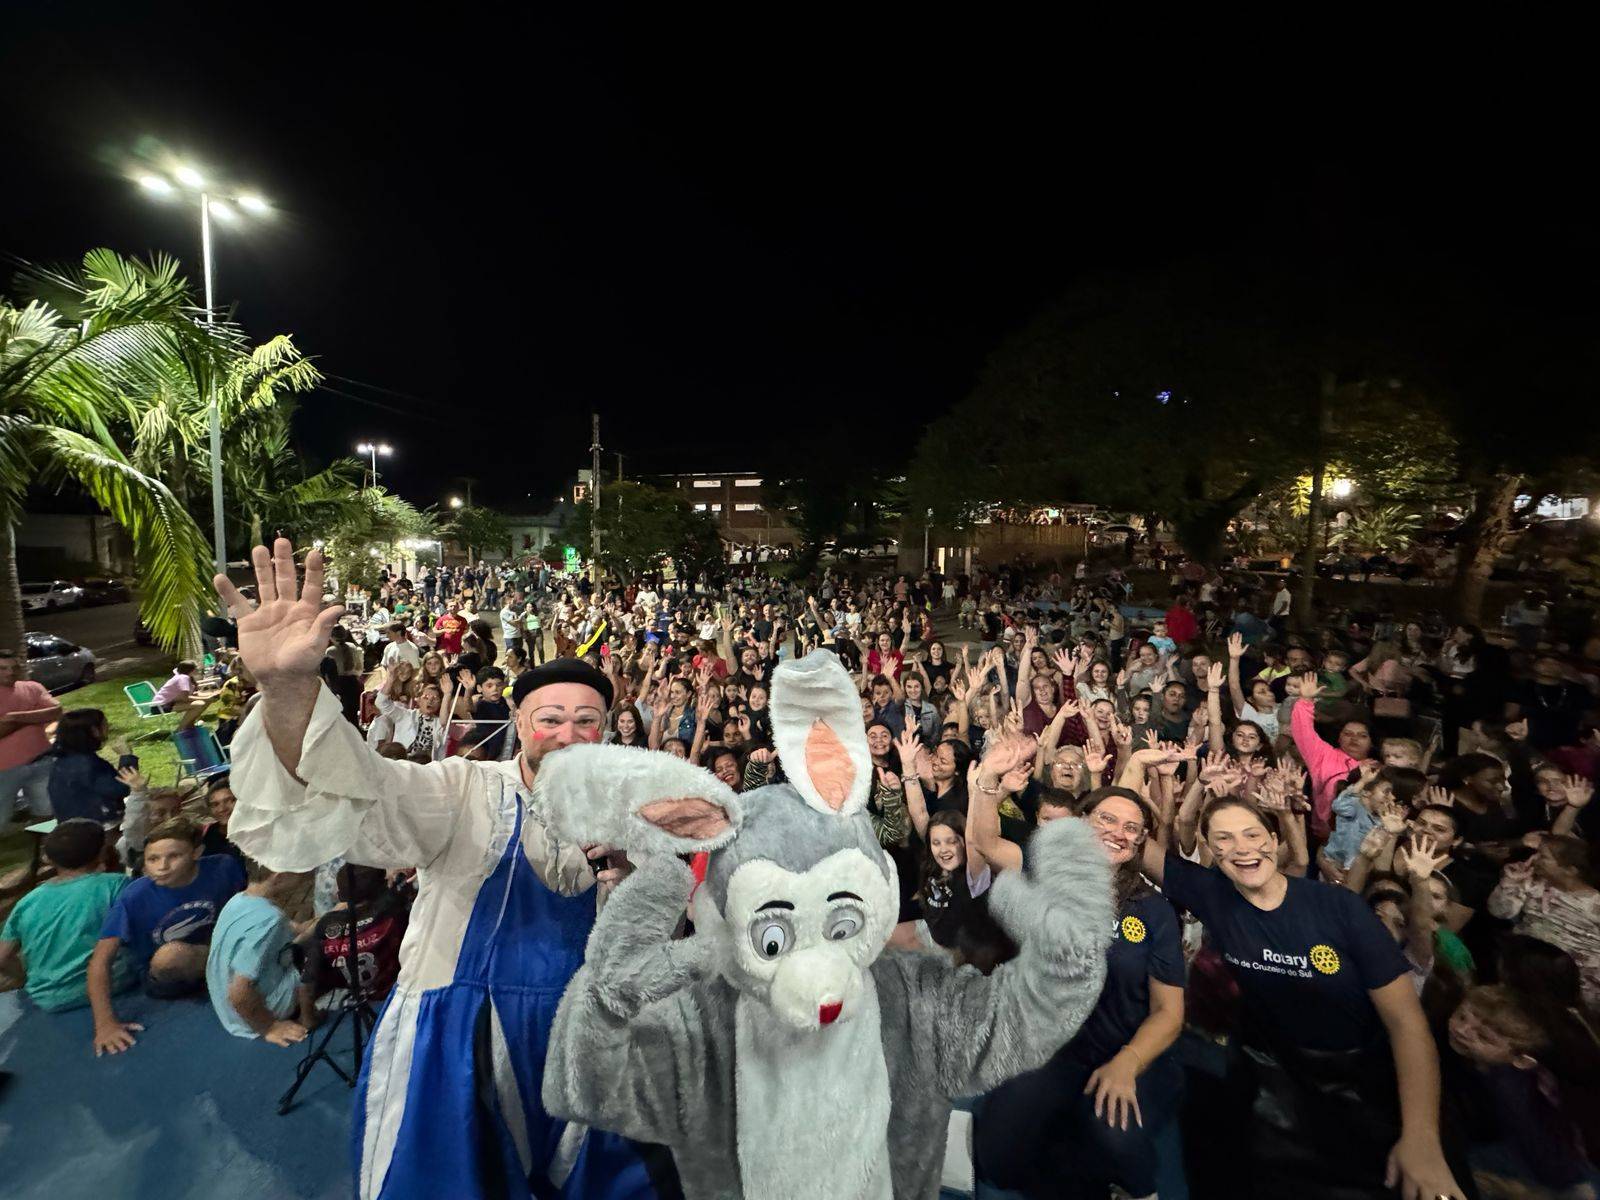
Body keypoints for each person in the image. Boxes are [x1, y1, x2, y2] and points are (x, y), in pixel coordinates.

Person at [221, 538, 667, 1200]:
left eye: (586, 721)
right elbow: (362, 789)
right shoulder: (462, 788)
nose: (568, 733)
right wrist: (288, 689)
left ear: (604, 732)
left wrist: (636, 877)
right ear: (520, 721)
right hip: (458, 1038)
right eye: (551, 718)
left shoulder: (639, 807)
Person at [1137, 794, 1471, 1199]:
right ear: (1209, 848)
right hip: (1274, 1080)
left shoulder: (1339, 907)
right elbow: (1128, 841)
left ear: (1274, 839)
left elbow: (1406, 1023)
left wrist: (1421, 1137)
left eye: (1252, 834)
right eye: (1223, 838)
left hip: (1365, 1083)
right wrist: (1133, 766)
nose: (1242, 848)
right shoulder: (1212, 894)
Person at [975, 786, 1186, 1200]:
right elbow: (984, 844)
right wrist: (988, 782)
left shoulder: (1154, 910)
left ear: (1140, 841)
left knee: (1113, 1137)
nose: (1117, 832)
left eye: (1131, 827)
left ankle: (1139, 1191)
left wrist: (1128, 1063)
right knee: (996, 1157)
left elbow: (1169, 1012)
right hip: (1054, 1048)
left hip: (1126, 1048)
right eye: (1106, 819)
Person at [87, 816, 247, 1055]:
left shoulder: (224, 866)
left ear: (196, 853)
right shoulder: (134, 897)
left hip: (217, 949)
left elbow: (248, 903)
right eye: (153, 859)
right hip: (169, 974)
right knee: (171, 955)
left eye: (173, 856)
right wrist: (104, 1024)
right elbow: (100, 960)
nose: (161, 866)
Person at [0, 820, 135, 1011]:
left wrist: (23, 979)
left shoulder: (27, 902)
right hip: (115, 985)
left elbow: (2, 958)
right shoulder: (116, 885)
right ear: (102, 852)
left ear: (48, 858)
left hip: (47, 999)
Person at [207, 869, 313, 1044]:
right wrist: (269, 1027)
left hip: (225, 1008)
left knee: (311, 934)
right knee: (318, 951)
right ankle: (307, 1016)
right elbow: (239, 993)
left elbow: (289, 928)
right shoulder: (272, 921)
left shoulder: (239, 900)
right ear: (279, 877)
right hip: (252, 1014)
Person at [0, 645, 62, 826]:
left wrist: (12, 718)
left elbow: (56, 711)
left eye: (14, 667)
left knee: (47, 812)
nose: (10, 672)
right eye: (3, 668)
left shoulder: (32, 687)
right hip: (4, 770)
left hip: (41, 761)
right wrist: (34, 714)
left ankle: (43, 847)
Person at [45, 708, 140, 825]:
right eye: (105, 725)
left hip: (69, 821)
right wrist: (127, 757)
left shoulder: (62, 759)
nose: (108, 728)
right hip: (97, 825)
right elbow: (121, 788)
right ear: (94, 731)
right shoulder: (87, 764)